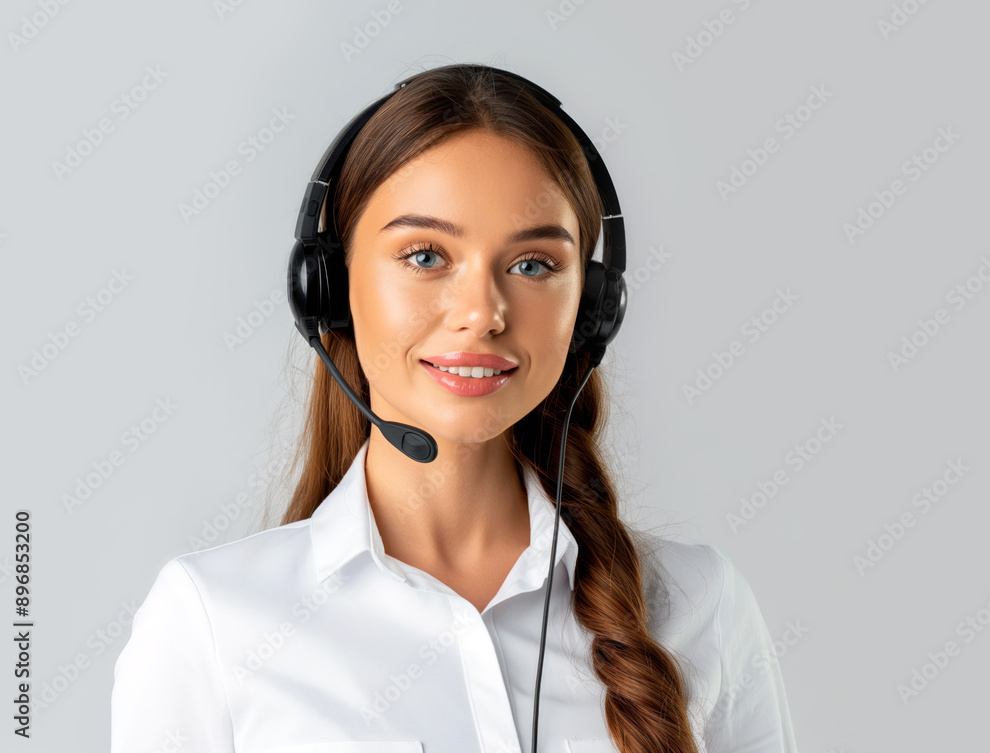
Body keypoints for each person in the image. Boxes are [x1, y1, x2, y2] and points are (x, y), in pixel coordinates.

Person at [110, 63, 798, 753]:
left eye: (532, 264)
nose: (481, 314)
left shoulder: (702, 605)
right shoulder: (212, 623)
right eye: (425, 256)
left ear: (590, 307)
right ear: (330, 283)